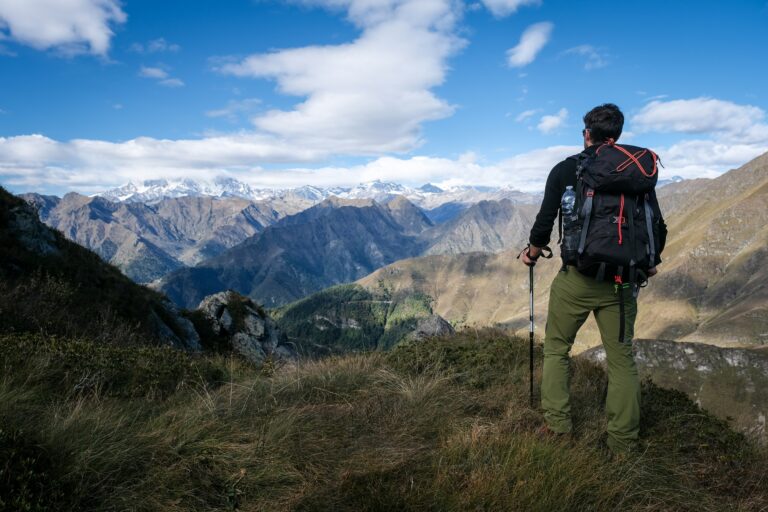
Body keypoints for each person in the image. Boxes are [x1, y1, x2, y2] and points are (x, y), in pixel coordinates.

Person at [520, 103, 667, 455]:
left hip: (578, 278)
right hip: (622, 282)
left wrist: (533, 252)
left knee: (557, 349)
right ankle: (623, 442)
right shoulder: (636, 173)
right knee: (621, 360)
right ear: (616, 137)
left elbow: (544, 222)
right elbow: (655, 223)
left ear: (587, 134)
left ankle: (558, 427)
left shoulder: (566, 169)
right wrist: (649, 263)